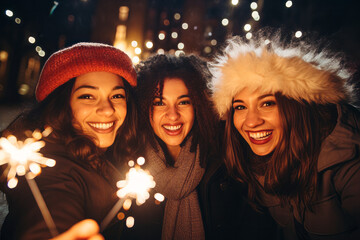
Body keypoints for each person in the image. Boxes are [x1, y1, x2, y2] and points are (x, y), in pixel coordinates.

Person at [208, 30, 360, 239]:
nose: (251, 122)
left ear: (296, 108)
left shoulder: (347, 158)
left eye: (267, 103)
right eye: (240, 107)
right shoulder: (254, 160)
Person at [0, 42, 138, 239]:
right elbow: (52, 203)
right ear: (62, 105)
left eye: (117, 95)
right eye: (88, 96)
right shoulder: (50, 167)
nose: (107, 109)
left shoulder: (115, 150)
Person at [129, 54, 219, 240]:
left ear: (198, 106)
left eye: (184, 102)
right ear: (146, 107)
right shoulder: (128, 165)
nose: (172, 115)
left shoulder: (222, 166)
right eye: (160, 103)